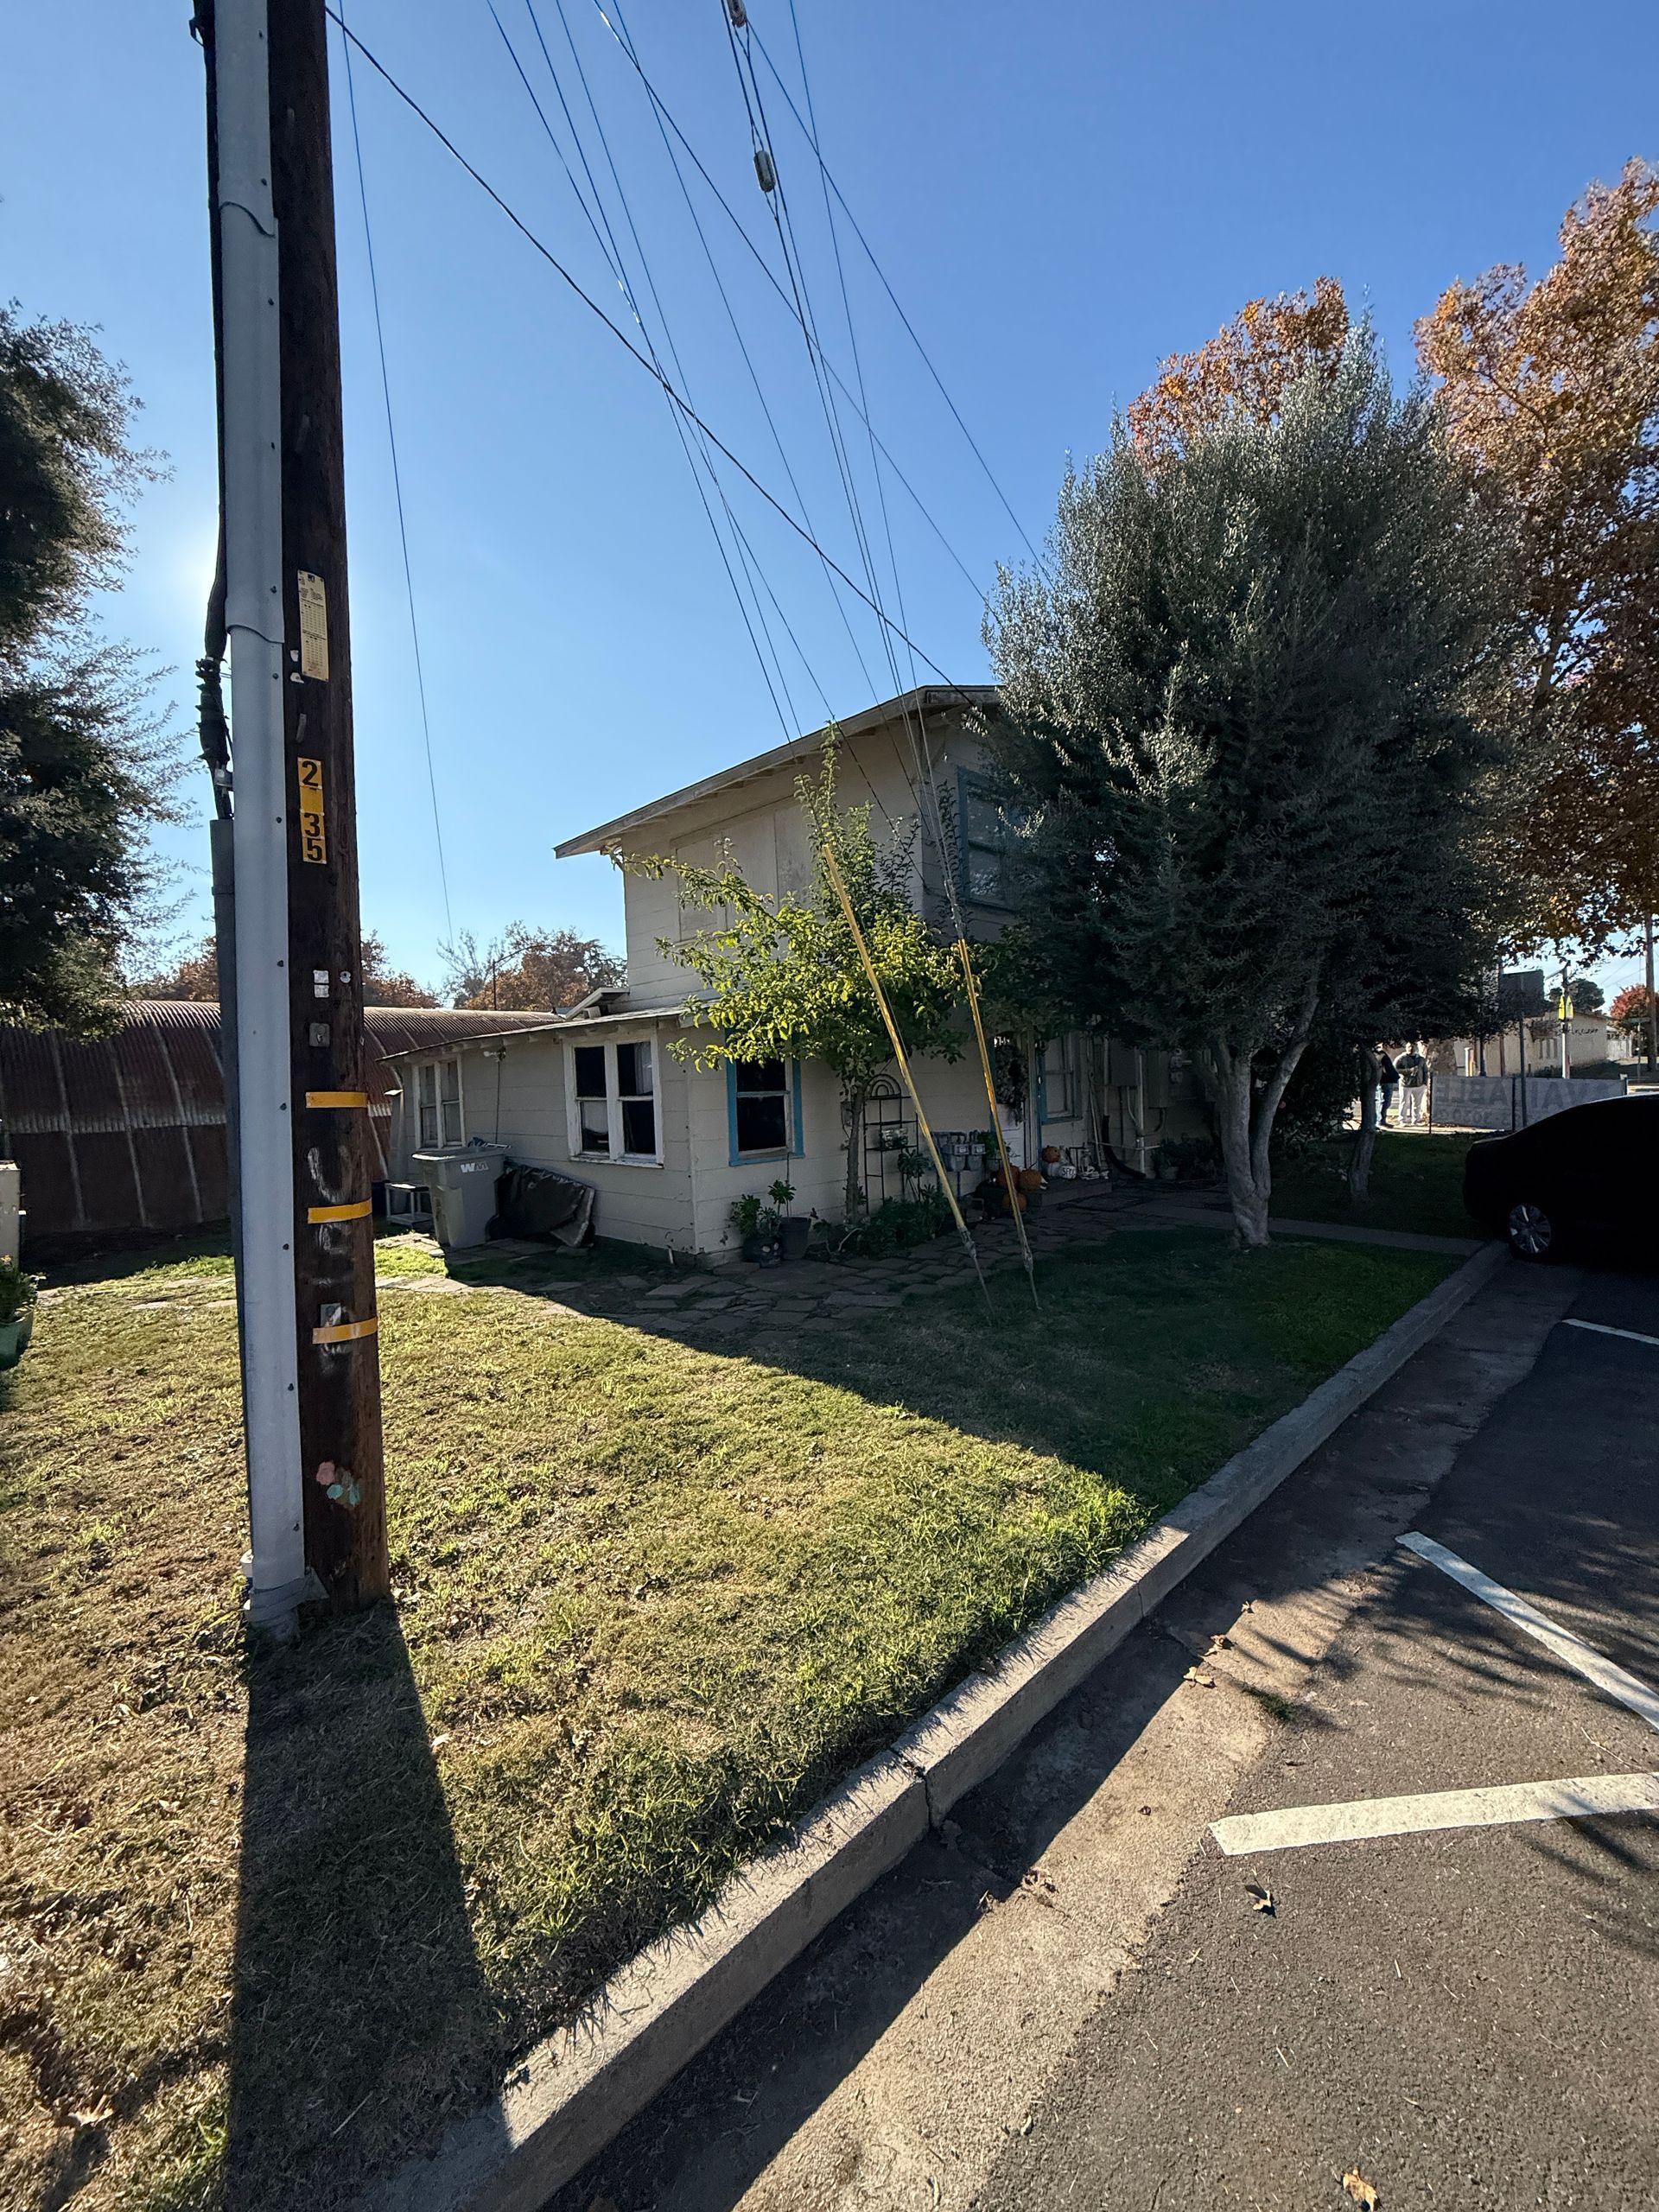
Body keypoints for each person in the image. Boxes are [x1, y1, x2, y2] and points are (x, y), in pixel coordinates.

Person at [1395, 1044, 1429, 1128]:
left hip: (1419, 1084)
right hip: (1405, 1084)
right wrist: (1408, 1071)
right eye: (1409, 1047)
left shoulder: (1421, 1059)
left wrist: (1425, 1083)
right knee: (1404, 1103)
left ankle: (1416, 1120)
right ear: (1406, 1048)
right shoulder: (1401, 1058)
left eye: (1413, 1047)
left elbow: (1425, 1071)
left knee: (1417, 1104)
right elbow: (1395, 1069)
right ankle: (1402, 1120)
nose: (1411, 1049)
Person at [1376, 1048, 1399, 1128]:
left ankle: (1382, 1120)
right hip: (1385, 1081)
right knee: (1384, 1101)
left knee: (1386, 1101)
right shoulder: (1380, 1055)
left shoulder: (1384, 1055)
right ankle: (1380, 1120)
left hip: (1389, 1080)